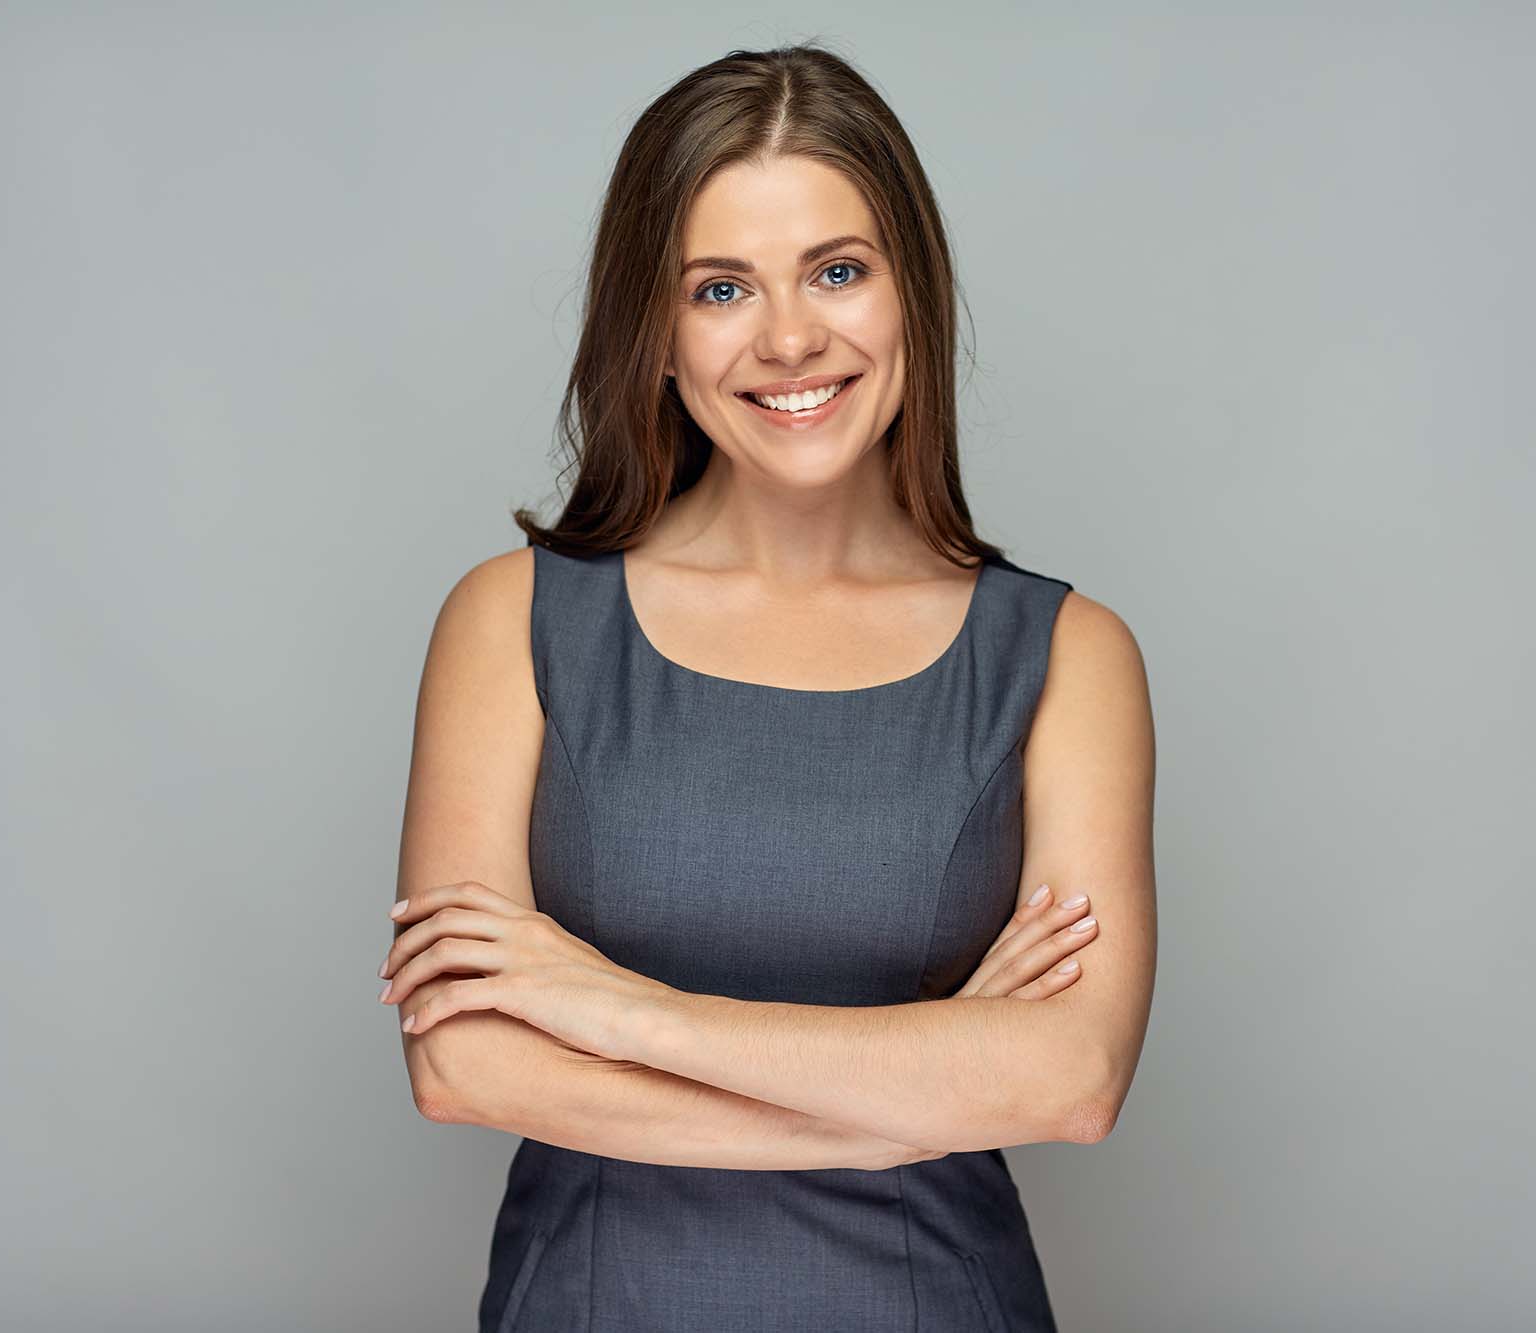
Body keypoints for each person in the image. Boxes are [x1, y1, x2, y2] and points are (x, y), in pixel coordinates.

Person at [379, 42, 1156, 1331]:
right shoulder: (513, 622)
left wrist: (615, 1010)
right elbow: (463, 1062)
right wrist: (898, 1107)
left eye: (838, 272)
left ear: (915, 296)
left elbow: (1069, 1077)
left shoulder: (1066, 657)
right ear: (657, 332)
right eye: (722, 287)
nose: (791, 339)